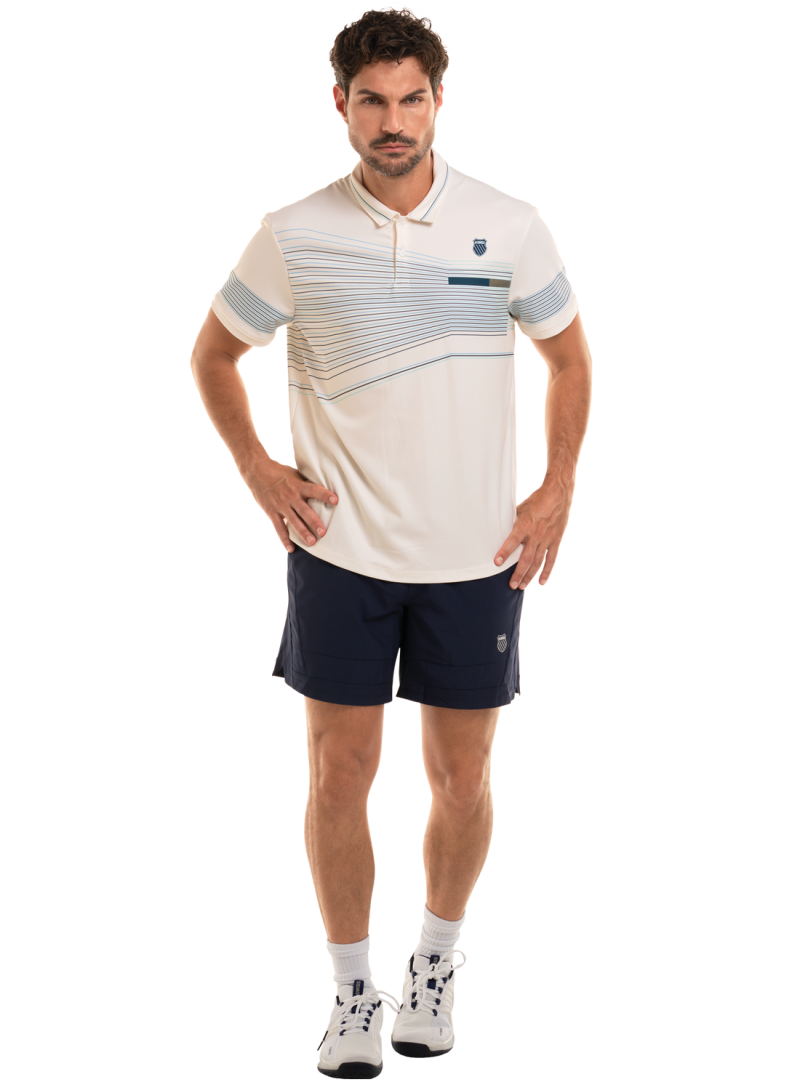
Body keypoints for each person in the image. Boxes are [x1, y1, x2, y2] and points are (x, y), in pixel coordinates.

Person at [190, 7, 592, 1079]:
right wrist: (258, 470)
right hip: (340, 553)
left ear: (439, 101)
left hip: (476, 557)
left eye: (411, 98)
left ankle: (436, 964)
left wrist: (557, 487)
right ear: (340, 104)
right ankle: (352, 992)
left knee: (461, 779)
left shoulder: (509, 223)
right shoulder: (293, 232)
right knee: (338, 775)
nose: (392, 121)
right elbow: (213, 354)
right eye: (371, 100)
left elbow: (569, 356)